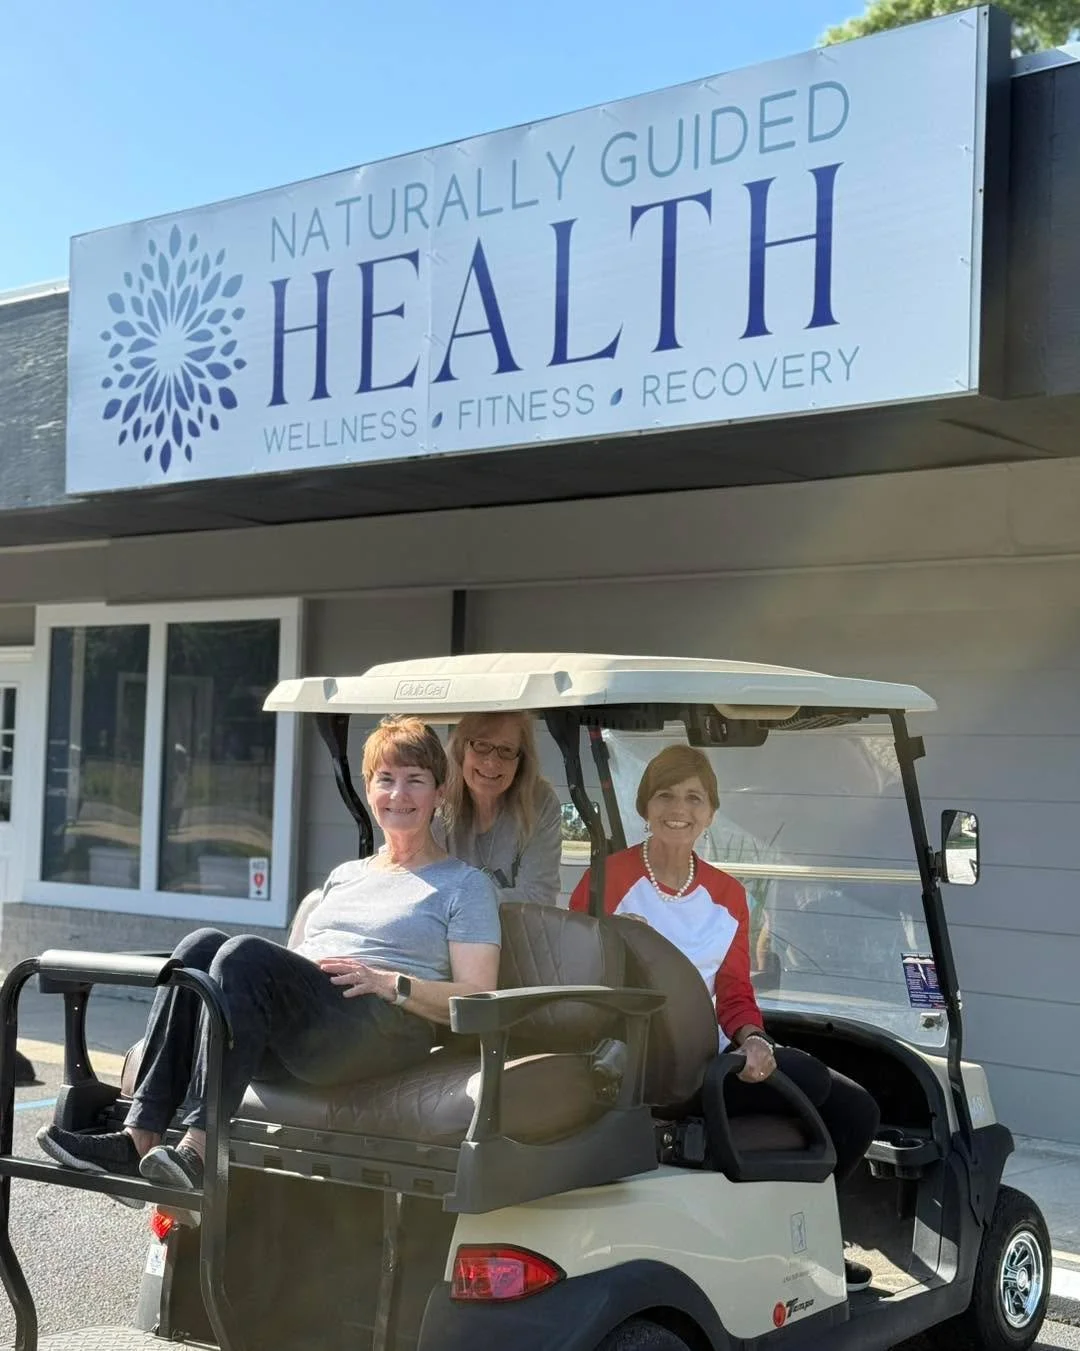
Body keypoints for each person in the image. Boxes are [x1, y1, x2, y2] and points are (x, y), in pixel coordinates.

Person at [39, 716, 501, 1214]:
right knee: (200, 947)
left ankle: (197, 1149)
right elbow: (287, 963)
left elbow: (477, 992)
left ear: (439, 789)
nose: (399, 794)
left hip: (380, 1024)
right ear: (369, 789)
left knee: (242, 954)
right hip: (310, 1024)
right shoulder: (346, 875)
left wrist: (392, 983)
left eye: (415, 780)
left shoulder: (464, 885)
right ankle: (137, 1140)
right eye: (386, 779)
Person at [569, 743, 880, 1293]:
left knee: (857, 1109)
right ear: (646, 805)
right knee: (808, 1082)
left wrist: (754, 1037)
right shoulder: (606, 882)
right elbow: (578, 983)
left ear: (711, 811)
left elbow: (734, 990)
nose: (678, 808)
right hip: (643, 1068)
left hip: (713, 1058)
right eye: (665, 794)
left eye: (694, 797)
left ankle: (816, 1240)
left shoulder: (727, 893)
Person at [438, 712, 562, 905]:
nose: (492, 762)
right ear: (461, 749)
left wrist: (458, 900)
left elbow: (540, 897)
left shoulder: (540, 801)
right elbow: (428, 889)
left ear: (521, 761)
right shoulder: (436, 798)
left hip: (518, 933)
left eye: (506, 749)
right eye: (481, 745)